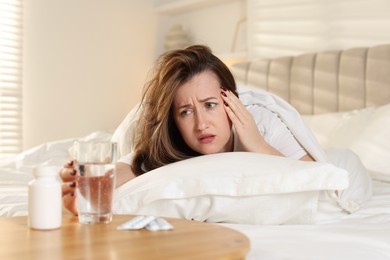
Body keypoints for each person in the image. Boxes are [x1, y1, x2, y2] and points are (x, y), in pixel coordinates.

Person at [60, 45, 314, 215]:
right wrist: (84, 186)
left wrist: (258, 145)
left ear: (231, 101)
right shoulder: (175, 142)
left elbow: (317, 178)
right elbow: (134, 166)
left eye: (210, 105)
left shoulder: (263, 122)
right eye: (186, 111)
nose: (201, 124)